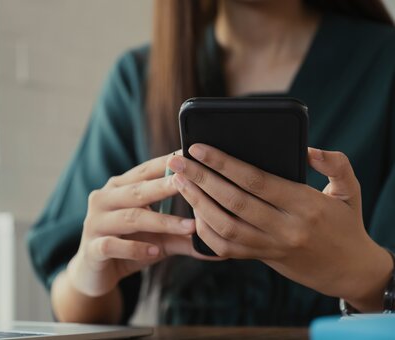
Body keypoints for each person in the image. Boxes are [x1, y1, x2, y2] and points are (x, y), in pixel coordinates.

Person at [28, 0, 395, 326]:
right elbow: (81, 306)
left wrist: (364, 277)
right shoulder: (138, 80)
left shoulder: (384, 67)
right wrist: (88, 275)